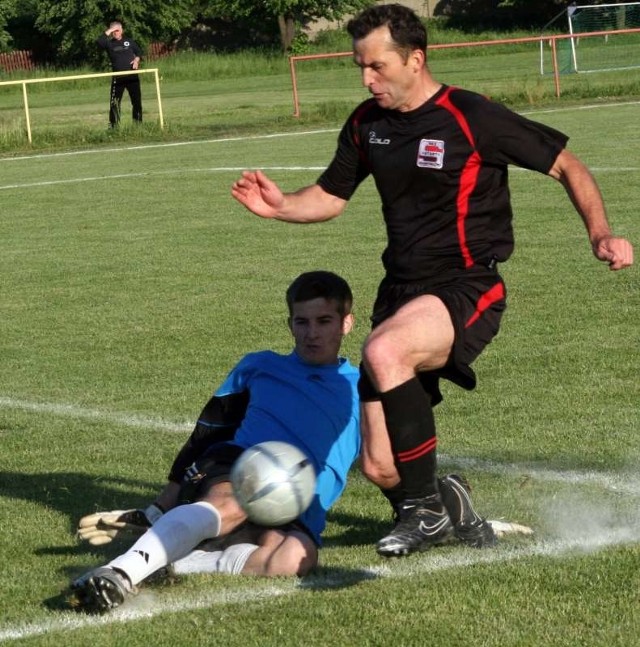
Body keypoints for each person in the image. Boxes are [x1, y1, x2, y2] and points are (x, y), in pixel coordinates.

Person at [231, 4, 634, 559]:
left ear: (415, 60)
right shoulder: (366, 124)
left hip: (468, 284)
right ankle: (449, 506)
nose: (367, 79)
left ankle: (421, 512)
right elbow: (329, 197)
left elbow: (567, 165)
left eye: (377, 66)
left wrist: (600, 233)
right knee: (378, 463)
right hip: (400, 292)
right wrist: (281, 207)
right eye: (359, 68)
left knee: (385, 348)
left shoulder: (472, 116)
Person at [96, 20, 143, 128]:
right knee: (115, 103)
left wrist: (136, 60)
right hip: (118, 78)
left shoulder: (129, 41)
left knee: (136, 101)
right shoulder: (109, 44)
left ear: (122, 30)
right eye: (114, 31)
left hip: (132, 77)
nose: (116, 33)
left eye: (118, 30)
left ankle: (138, 125)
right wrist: (111, 29)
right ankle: (114, 127)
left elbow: (139, 51)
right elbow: (99, 41)